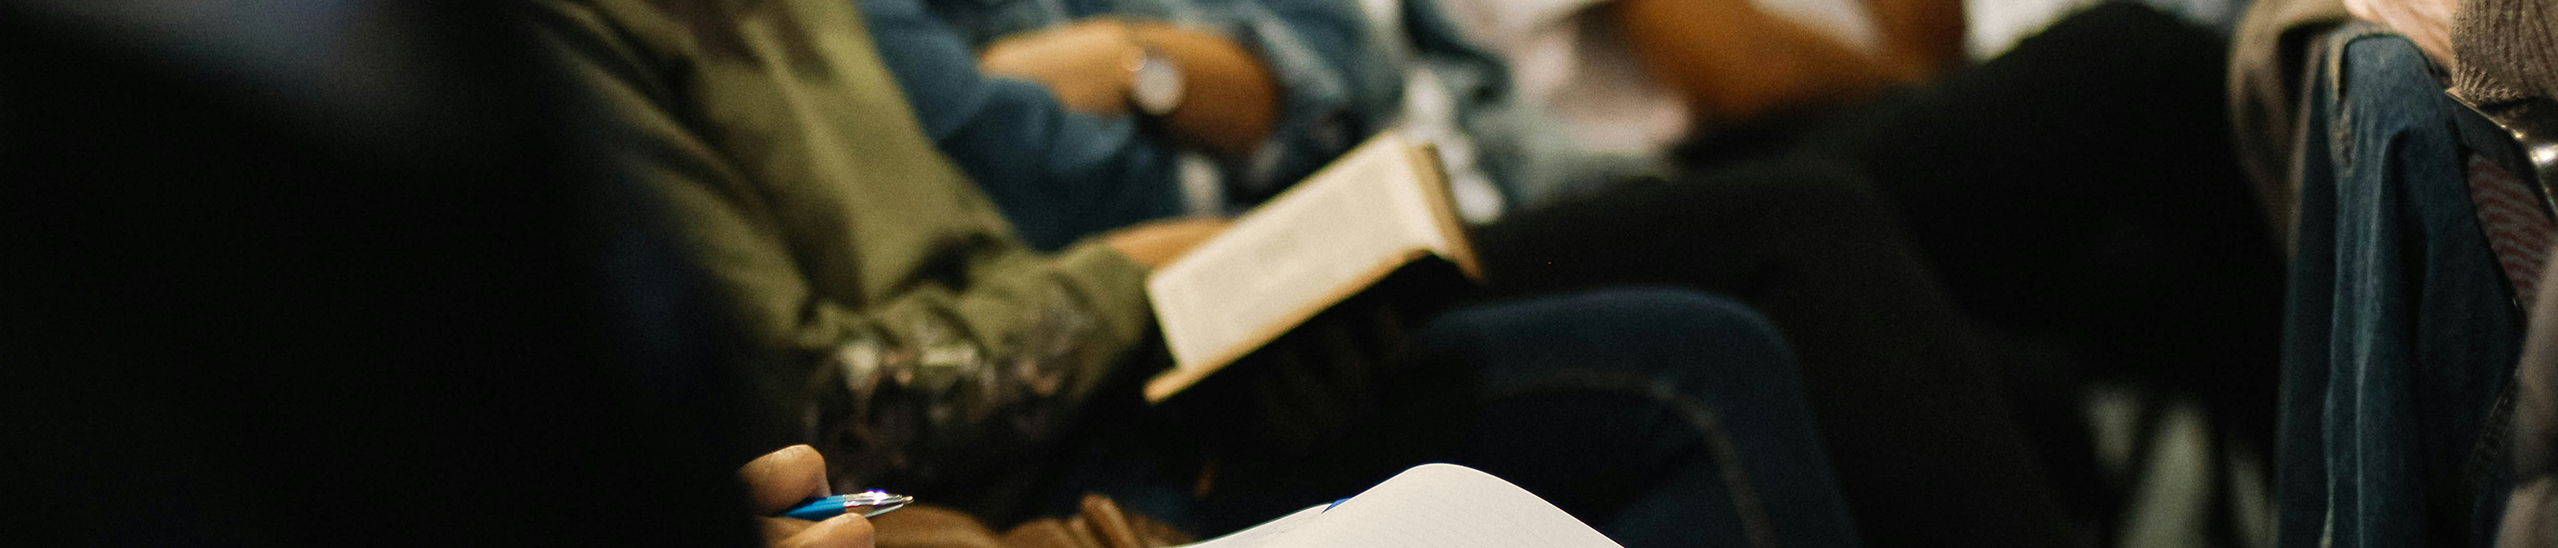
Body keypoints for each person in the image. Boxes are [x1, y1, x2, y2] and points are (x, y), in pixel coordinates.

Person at [516, 2, 1868, 548]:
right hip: (1014, 469)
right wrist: (1133, 275)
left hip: (1128, 377)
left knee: (1721, 331)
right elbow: (827, 406)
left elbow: (1334, 71)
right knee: (1723, 327)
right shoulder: (556, 50)